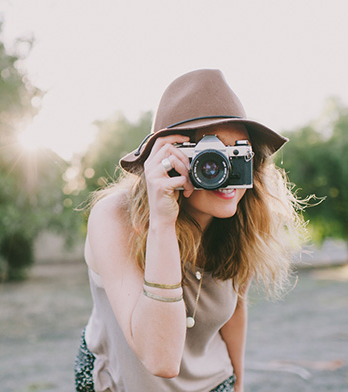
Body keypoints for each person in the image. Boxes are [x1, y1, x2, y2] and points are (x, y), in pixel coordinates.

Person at [74, 69, 304, 392]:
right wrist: (162, 220)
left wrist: (238, 384)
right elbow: (161, 358)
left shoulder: (242, 224)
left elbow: (236, 311)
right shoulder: (114, 218)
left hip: (214, 384)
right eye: (208, 158)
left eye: (236, 151)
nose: (221, 171)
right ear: (169, 158)